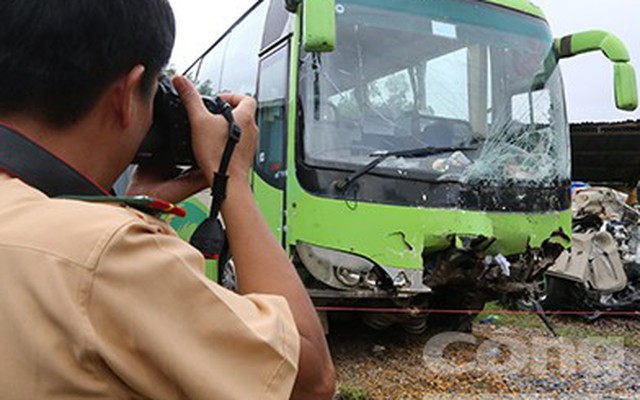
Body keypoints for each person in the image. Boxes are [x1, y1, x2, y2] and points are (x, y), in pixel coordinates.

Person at [0, 1, 335, 399]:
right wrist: (234, 181)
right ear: (125, 95)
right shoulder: (109, 256)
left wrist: (131, 205)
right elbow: (310, 378)